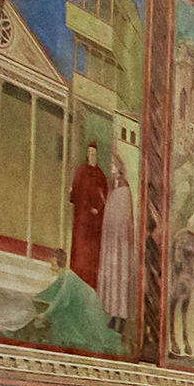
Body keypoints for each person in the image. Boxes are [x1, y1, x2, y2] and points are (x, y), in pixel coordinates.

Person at [99, 153, 136, 331]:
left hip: (119, 244)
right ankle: (114, 316)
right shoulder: (113, 187)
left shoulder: (123, 187)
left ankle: (120, 319)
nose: (111, 168)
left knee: (119, 281)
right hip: (112, 243)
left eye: (114, 165)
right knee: (113, 280)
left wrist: (114, 232)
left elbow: (122, 219)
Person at [69, 140, 110, 291]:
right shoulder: (81, 171)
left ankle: (91, 288)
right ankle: (76, 285)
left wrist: (97, 209)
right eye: (90, 153)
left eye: (94, 154)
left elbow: (105, 197)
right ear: (87, 154)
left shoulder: (101, 175)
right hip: (82, 222)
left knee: (92, 257)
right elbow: (75, 195)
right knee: (80, 254)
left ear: (97, 155)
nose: (92, 156)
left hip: (95, 224)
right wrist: (72, 193)